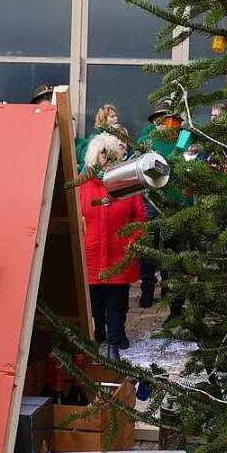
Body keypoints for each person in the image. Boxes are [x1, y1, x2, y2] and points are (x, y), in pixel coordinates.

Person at [80, 133, 147, 362]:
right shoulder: (83, 185)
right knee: (95, 303)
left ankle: (114, 342)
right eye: (102, 152)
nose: (106, 157)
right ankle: (99, 334)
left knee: (117, 303)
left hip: (120, 255)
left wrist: (133, 242)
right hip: (91, 255)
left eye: (110, 152)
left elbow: (140, 217)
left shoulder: (126, 184)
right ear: (93, 156)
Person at [137, 101, 186, 317]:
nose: (165, 123)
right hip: (152, 205)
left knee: (171, 252)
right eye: (160, 118)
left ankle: (168, 293)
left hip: (176, 206)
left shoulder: (184, 140)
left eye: (168, 118)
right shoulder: (146, 142)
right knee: (149, 251)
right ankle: (147, 293)